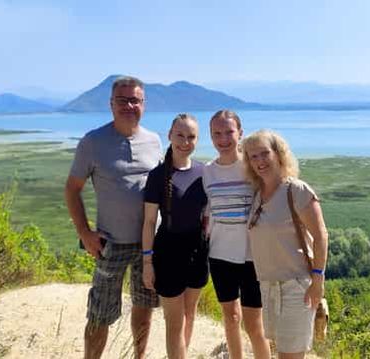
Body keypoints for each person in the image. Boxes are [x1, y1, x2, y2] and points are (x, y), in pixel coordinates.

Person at [65, 76, 162, 359]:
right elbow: (72, 190)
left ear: (143, 104)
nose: (129, 106)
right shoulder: (93, 142)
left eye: (135, 100)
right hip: (111, 244)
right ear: (111, 104)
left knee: (144, 309)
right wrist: (84, 232)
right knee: (100, 315)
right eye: (122, 100)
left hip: (149, 244)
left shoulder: (154, 141)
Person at [242, 130, 329, 359]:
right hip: (268, 288)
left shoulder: (296, 190)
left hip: (296, 288)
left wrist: (318, 281)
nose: (259, 161)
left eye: (264, 154)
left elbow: (321, 237)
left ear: (278, 154)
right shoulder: (258, 194)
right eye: (253, 157)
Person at [203, 110, 271, 359]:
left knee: (254, 325)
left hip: (252, 257)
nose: (223, 139)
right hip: (220, 256)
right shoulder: (207, 172)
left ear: (240, 133)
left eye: (229, 132)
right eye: (216, 133)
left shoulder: (253, 167)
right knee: (231, 318)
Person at [141, 113, 209, 359]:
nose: (185, 141)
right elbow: (149, 222)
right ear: (169, 136)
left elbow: (208, 214)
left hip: (198, 250)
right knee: (174, 322)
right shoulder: (158, 176)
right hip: (168, 251)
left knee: (190, 314)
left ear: (197, 140)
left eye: (191, 137)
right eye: (180, 135)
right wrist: (147, 262)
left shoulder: (204, 171)